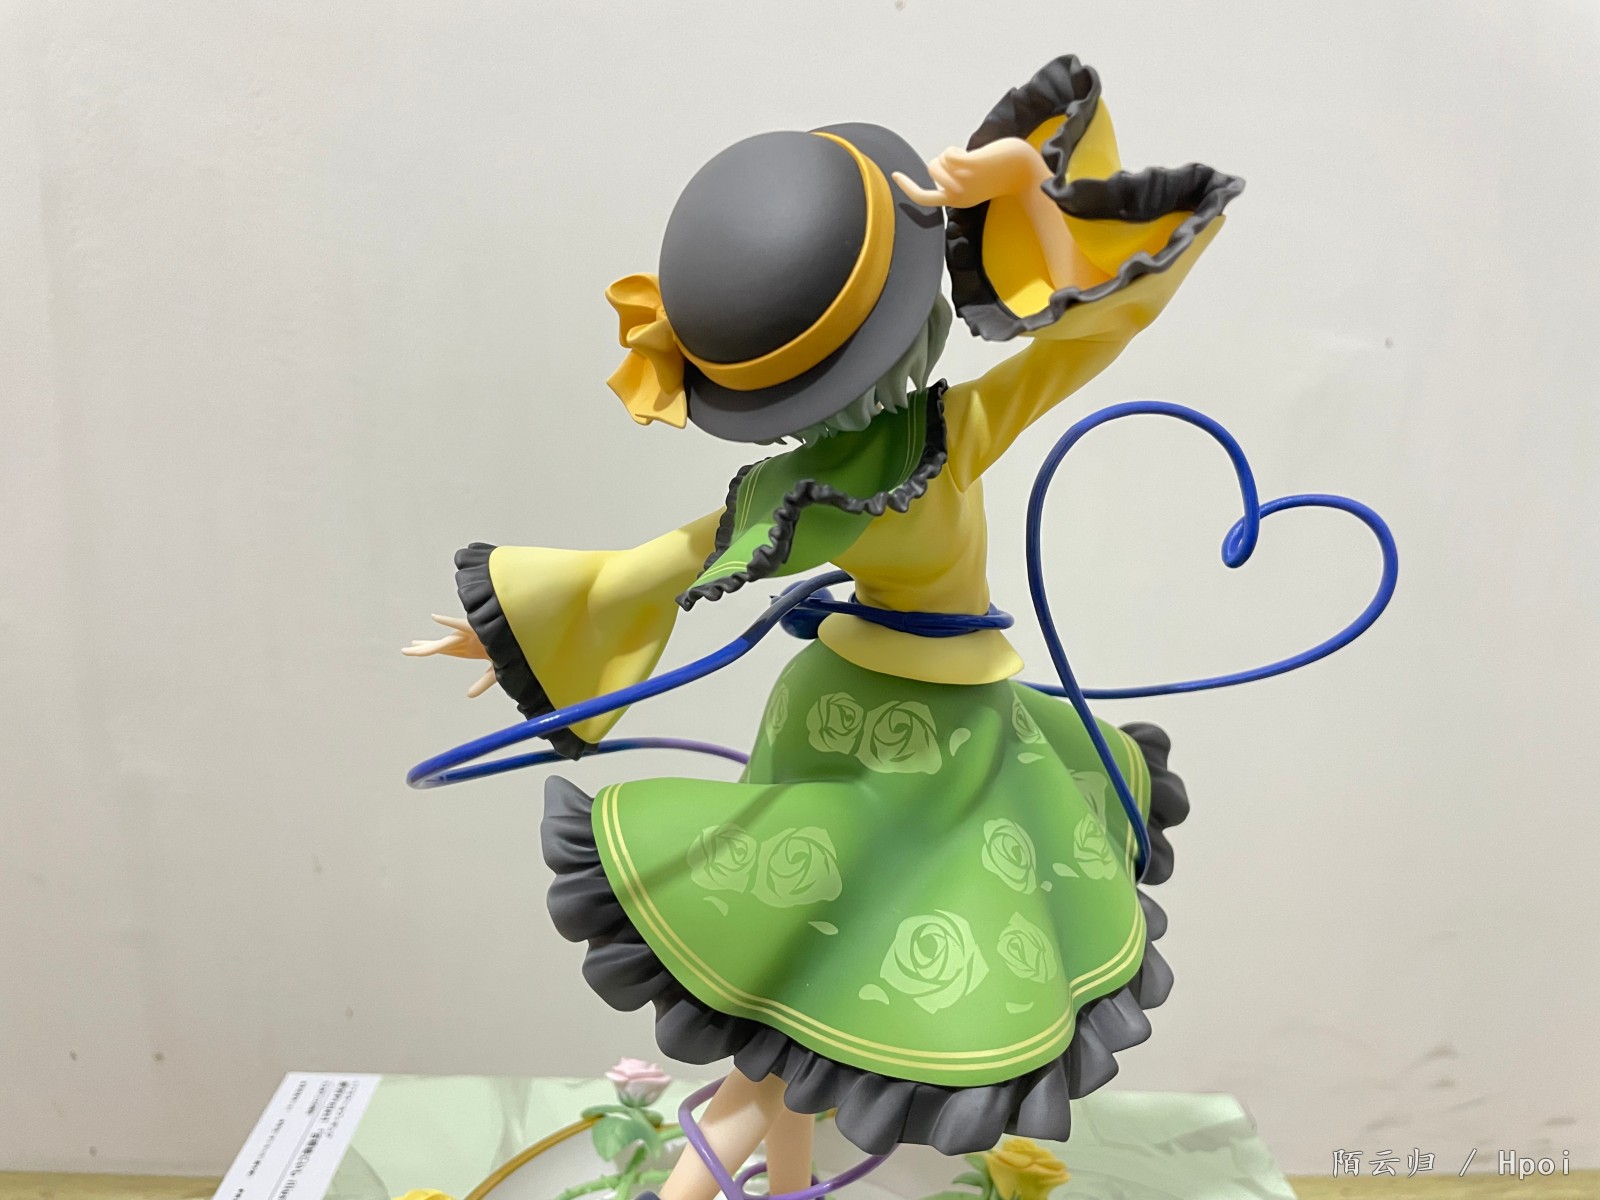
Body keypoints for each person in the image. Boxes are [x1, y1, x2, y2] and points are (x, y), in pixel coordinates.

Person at [407, 55, 1240, 1200]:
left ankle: (772, 1174)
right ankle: (705, 1179)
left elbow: (664, 562)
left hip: (861, 712)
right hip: (930, 751)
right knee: (805, 1009)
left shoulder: (801, 489)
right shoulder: (948, 434)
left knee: (800, 998)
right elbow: (1085, 338)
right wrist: (1029, 194)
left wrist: (510, 629)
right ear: (918, 318)